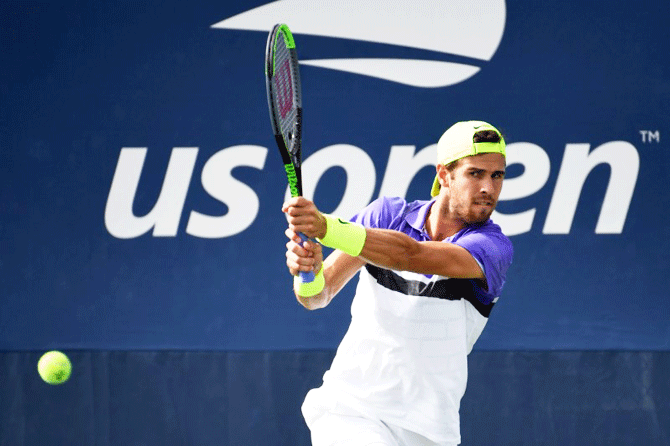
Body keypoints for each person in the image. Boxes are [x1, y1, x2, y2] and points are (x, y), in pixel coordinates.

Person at [282, 121, 514, 446]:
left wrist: (326, 228)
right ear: (444, 175)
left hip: (430, 430)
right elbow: (318, 295)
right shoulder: (388, 216)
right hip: (352, 411)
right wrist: (307, 274)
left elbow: (410, 255)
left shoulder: (491, 248)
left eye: (497, 175)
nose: (488, 187)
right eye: (475, 173)